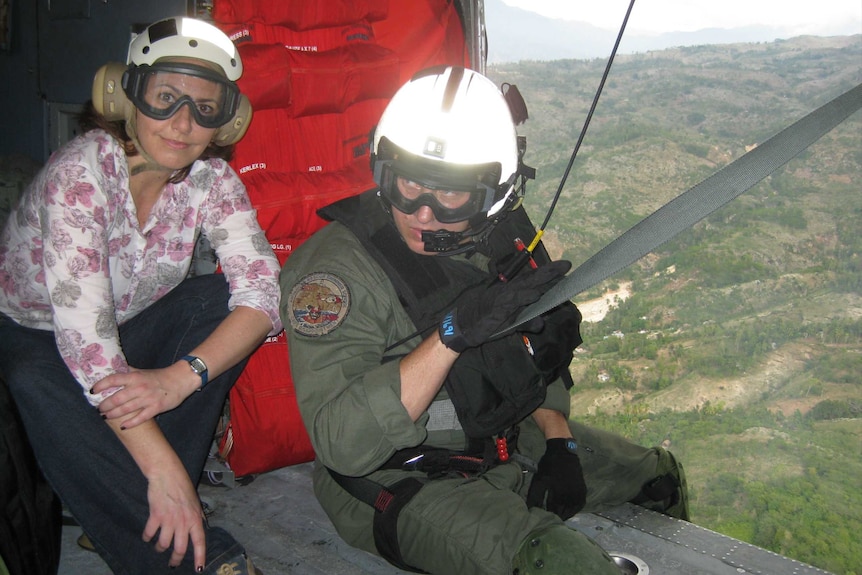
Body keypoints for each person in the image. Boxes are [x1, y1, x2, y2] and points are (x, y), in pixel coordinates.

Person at [280, 66, 689, 575]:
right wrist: (449, 335)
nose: (422, 213)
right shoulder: (335, 275)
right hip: (398, 479)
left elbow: (538, 353)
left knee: (658, 477)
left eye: (450, 194)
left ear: (495, 195)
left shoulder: (501, 236)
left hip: (505, 433)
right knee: (558, 562)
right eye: (406, 183)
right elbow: (342, 445)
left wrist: (558, 442)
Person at [0, 16, 280, 575]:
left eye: (205, 106)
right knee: (35, 376)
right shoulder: (80, 174)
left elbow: (262, 295)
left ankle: (131, 506)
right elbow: (88, 348)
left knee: (215, 299)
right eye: (166, 97)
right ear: (124, 96)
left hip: (123, 328)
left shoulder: (213, 181)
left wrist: (179, 379)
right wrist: (164, 467)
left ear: (227, 119)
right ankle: (181, 553)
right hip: (31, 331)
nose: (182, 123)